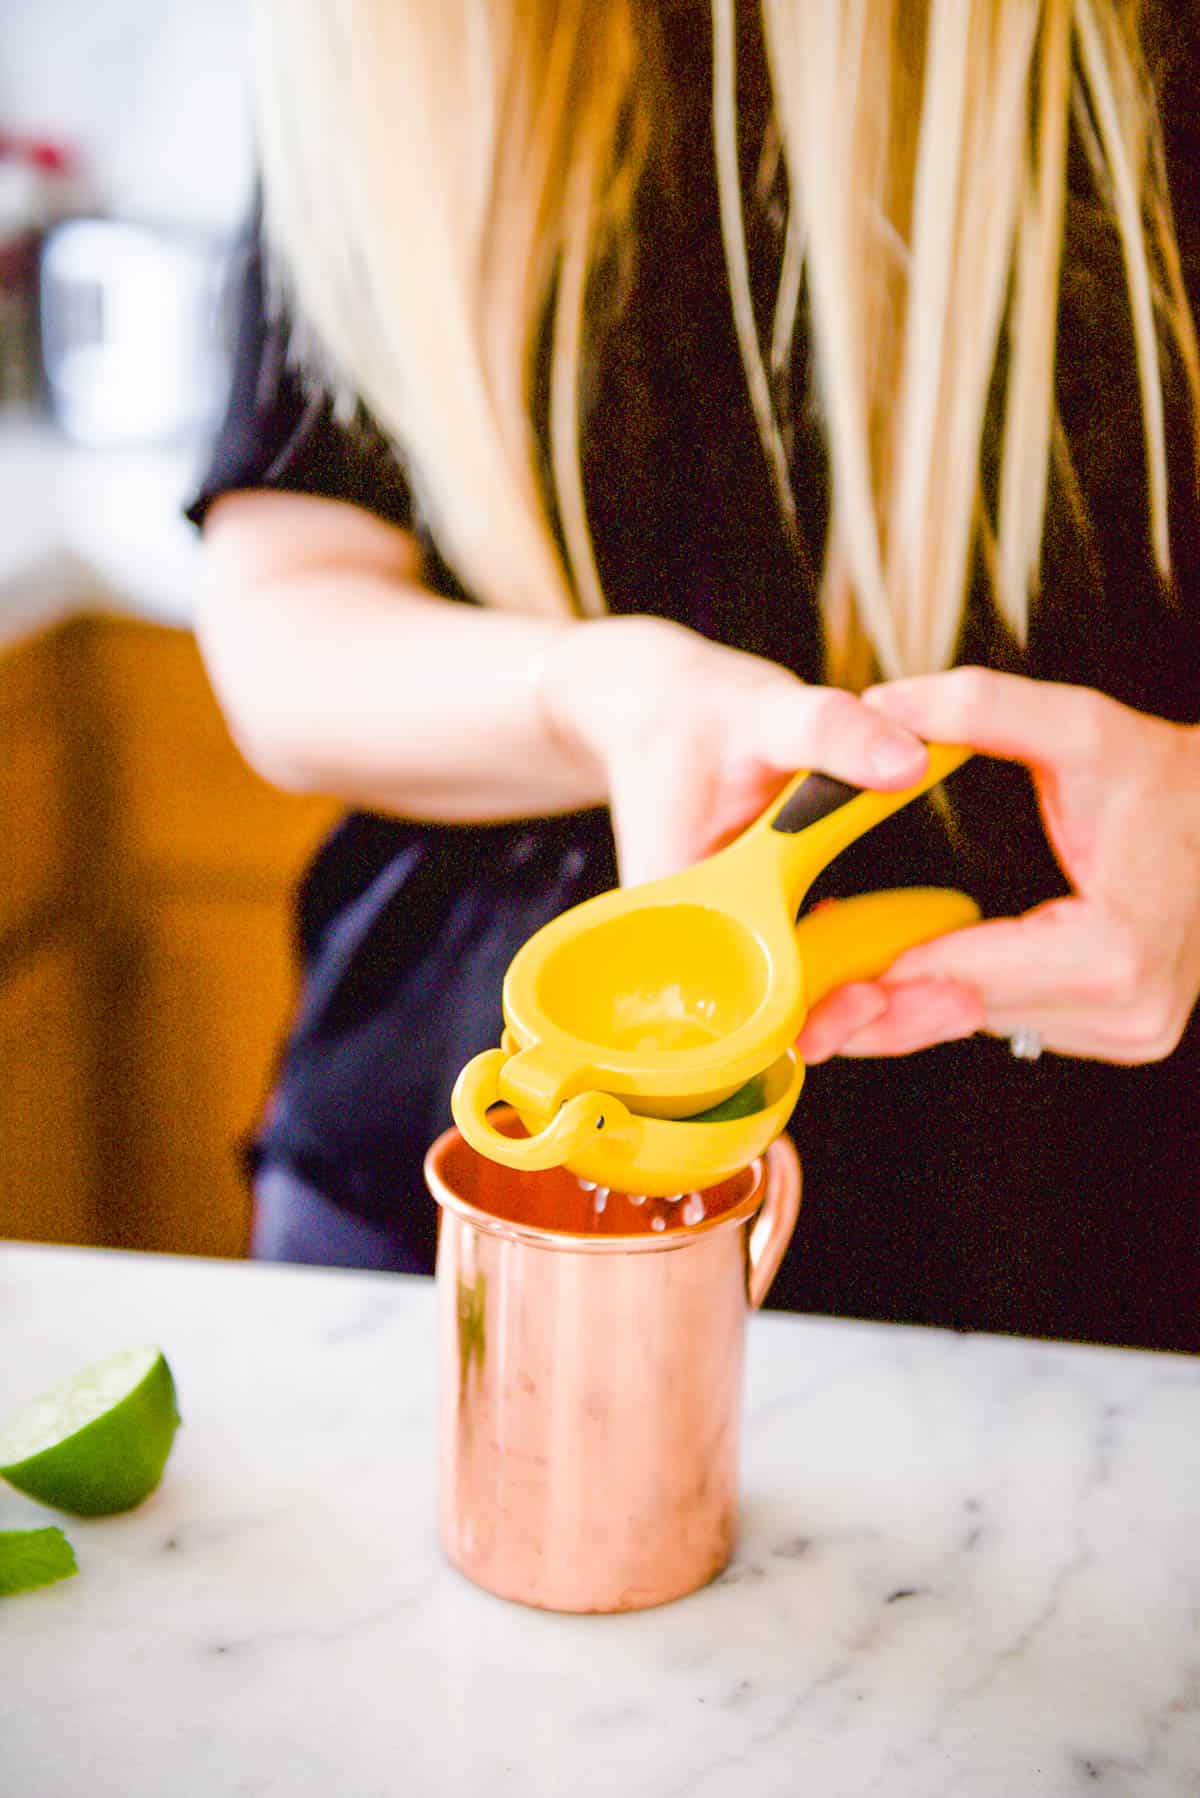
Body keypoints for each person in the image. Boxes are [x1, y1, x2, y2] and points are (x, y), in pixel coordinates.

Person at [189, 1, 1200, 1351]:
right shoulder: (386, 45)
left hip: (1089, 1265)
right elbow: (283, 614)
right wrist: (592, 697)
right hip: (412, 1210)